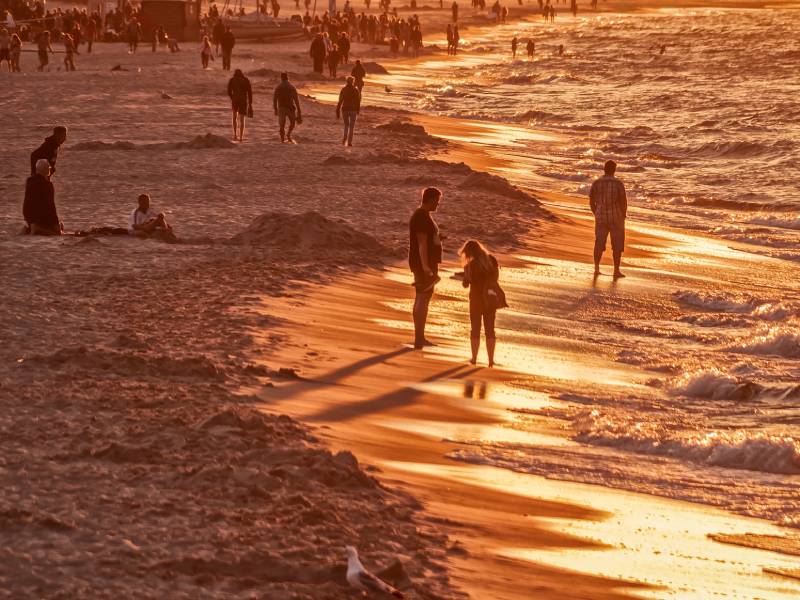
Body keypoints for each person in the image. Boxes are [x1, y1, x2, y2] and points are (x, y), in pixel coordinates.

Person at [409, 187, 444, 349]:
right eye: (437, 200)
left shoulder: (423, 216)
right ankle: (419, 338)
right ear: (429, 199)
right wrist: (426, 268)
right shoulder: (421, 217)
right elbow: (422, 244)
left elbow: (427, 239)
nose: (438, 204)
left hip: (425, 263)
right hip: (424, 264)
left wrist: (437, 237)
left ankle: (420, 337)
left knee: (422, 298)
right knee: (423, 298)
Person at [460, 240, 500, 366]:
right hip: (489, 299)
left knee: (475, 329)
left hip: (476, 300)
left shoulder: (470, 265)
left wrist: (464, 276)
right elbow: (496, 278)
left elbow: (466, 284)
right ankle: (491, 360)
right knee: (490, 330)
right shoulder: (492, 261)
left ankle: (474, 358)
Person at [589, 160, 628, 279]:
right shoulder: (618, 183)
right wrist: (623, 214)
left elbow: (591, 201)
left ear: (604, 169)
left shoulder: (596, 182)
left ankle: (596, 268)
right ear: (614, 170)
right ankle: (616, 270)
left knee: (599, 243)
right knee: (617, 245)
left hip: (600, 217)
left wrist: (596, 212)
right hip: (616, 217)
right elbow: (623, 201)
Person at [23, 159, 62, 236]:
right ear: (46, 170)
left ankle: (32, 227)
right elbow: (51, 206)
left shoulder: (29, 181)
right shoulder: (47, 185)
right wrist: (56, 223)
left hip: (28, 215)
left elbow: (29, 201)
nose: (50, 169)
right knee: (57, 233)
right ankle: (37, 228)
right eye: (49, 168)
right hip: (40, 216)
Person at [273, 71, 302, 143]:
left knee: (282, 125)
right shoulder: (291, 87)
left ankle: (282, 139)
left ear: (281, 78)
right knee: (292, 123)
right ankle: (288, 134)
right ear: (287, 78)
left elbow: (274, 99)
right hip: (290, 108)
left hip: (281, 108)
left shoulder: (278, 87)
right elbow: (296, 99)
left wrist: (275, 109)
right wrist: (299, 109)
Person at [227, 68, 252, 142]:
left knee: (234, 117)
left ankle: (235, 135)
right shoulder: (246, 80)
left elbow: (229, 91)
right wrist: (250, 103)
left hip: (235, 101)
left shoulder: (232, 80)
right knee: (242, 119)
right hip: (243, 101)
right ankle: (241, 137)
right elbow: (249, 92)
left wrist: (232, 97)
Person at [336, 76, 361, 146]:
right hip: (353, 110)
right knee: (352, 127)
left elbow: (340, 100)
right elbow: (358, 101)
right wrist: (358, 109)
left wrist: (337, 109)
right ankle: (349, 142)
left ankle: (344, 139)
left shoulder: (344, 90)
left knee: (346, 125)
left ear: (347, 81)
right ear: (353, 81)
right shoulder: (355, 90)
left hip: (345, 109)